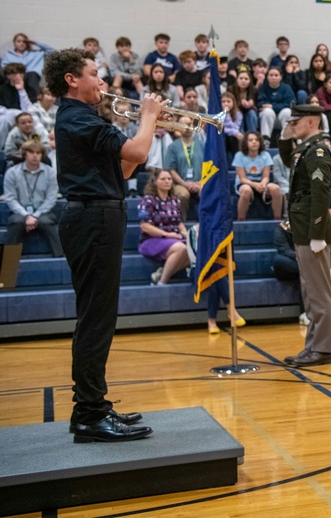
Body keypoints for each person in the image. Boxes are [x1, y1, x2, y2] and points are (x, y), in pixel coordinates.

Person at [46, 47, 163, 442]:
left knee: (100, 316)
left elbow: (126, 165)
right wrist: (147, 118)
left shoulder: (85, 118)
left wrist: (145, 127)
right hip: (92, 217)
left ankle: (94, 405)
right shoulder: (76, 117)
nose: (102, 81)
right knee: (96, 319)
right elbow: (138, 150)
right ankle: (89, 414)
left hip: (102, 212)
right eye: (94, 74)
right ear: (72, 80)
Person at [278, 105, 331, 367]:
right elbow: (291, 162)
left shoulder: (319, 150)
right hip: (302, 229)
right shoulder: (306, 148)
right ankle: (313, 345)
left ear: (311, 122)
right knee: (310, 291)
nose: (293, 124)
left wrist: (317, 233)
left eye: (296, 121)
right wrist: (284, 138)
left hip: (313, 231)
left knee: (320, 293)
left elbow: (321, 192)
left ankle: (322, 349)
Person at [2, 140, 62, 256]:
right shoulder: (12, 173)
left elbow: (51, 198)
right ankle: (8, 259)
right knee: (16, 222)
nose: (35, 156)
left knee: (47, 221)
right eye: (31, 152)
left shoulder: (50, 173)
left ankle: (59, 257)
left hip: (43, 212)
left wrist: (35, 215)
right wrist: (26, 215)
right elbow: (10, 198)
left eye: (38, 153)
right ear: (25, 154)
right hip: (19, 212)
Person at [137, 168, 191, 287]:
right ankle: (162, 283)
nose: (167, 181)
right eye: (163, 179)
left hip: (174, 238)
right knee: (181, 248)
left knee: (194, 247)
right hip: (152, 240)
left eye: (169, 179)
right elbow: (145, 226)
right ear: (155, 181)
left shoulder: (175, 200)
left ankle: (161, 273)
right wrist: (166, 234)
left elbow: (179, 222)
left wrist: (185, 234)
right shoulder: (148, 200)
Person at [233, 131, 283, 221]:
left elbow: (266, 177)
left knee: (276, 189)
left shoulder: (265, 155)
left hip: (261, 183)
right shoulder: (239, 156)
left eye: (256, 140)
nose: (254, 142)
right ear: (245, 142)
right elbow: (243, 179)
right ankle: (241, 220)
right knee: (246, 191)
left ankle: (277, 220)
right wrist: (255, 185)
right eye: (251, 140)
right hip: (245, 183)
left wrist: (263, 184)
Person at [163, 115, 203, 220]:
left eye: (189, 124)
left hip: (200, 182)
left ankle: (206, 224)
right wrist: (185, 184)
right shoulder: (172, 147)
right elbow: (170, 169)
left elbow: (209, 166)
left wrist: (200, 183)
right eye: (184, 125)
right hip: (180, 184)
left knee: (206, 192)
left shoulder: (202, 144)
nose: (187, 127)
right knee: (183, 195)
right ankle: (181, 223)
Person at [258, 67, 295, 144]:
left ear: (281, 76)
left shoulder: (287, 88)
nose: (273, 77)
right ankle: (265, 140)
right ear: (267, 76)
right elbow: (261, 103)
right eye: (271, 75)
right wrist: (276, 106)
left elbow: (290, 104)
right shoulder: (263, 88)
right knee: (267, 111)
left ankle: (287, 139)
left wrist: (273, 106)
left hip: (282, 117)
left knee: (287, 111)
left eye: (276, 75)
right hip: (268, 117)